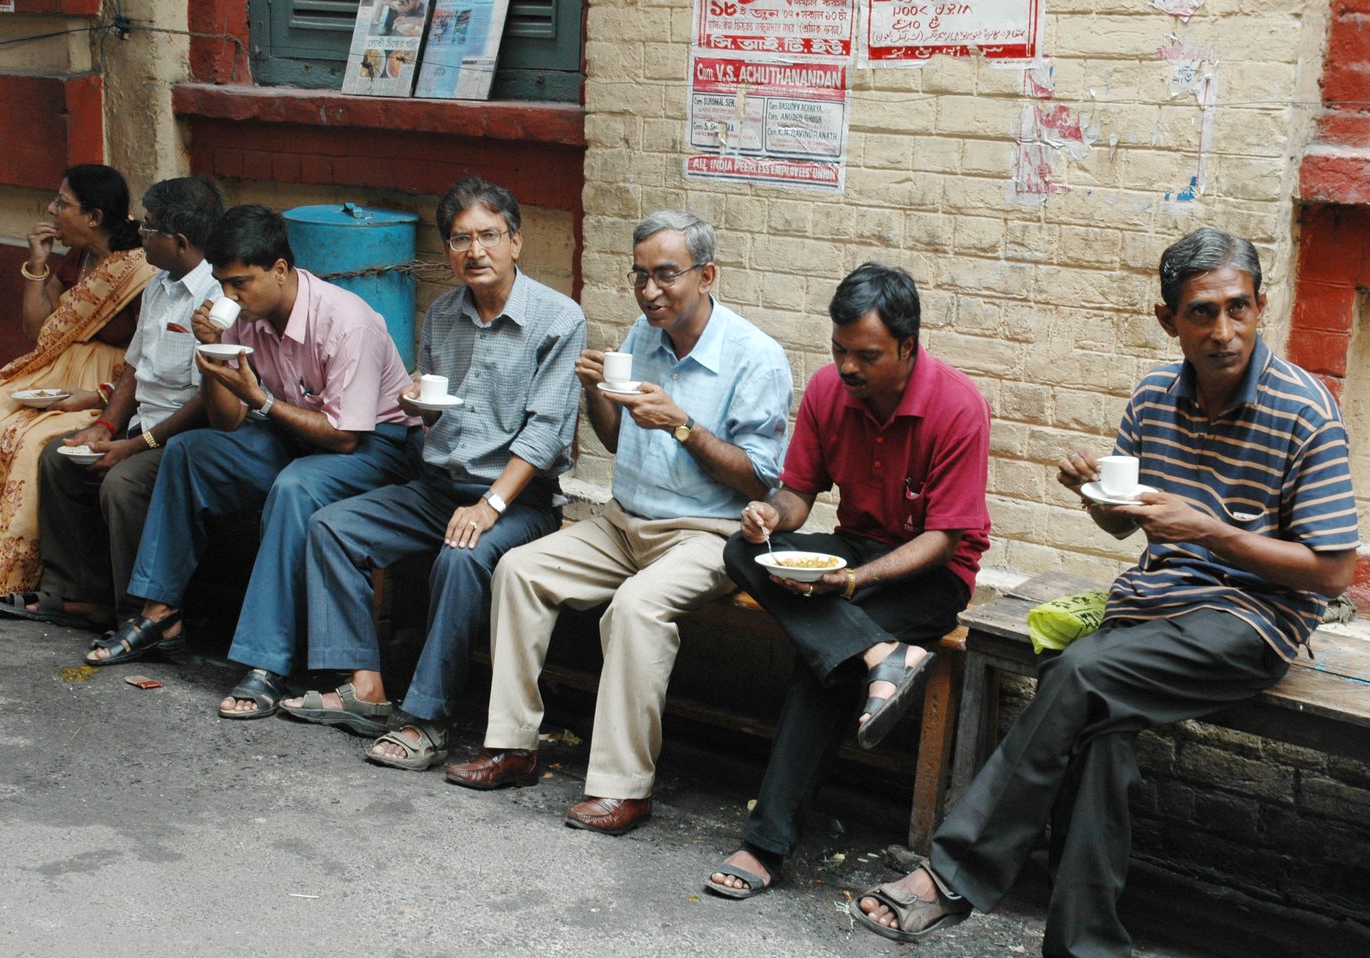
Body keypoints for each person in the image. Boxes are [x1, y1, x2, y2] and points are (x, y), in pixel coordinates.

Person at [852, 228, 1359, 957]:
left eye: (1238, 309)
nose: (1224, 332)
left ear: (1262, 306)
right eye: (1202, 314)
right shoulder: (1156, 396)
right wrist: (1096, 497)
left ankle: (954, 873)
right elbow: (1130, 531)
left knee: (1078, 671)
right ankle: (1086, 945)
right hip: (1155, 607)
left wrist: (1210, 532)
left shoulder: (1305, 408)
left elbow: (1332, 571)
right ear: (1168, 320)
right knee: (1103, 732)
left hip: (1254, 619)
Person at [444, 211, 794, 835]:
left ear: (707, 275)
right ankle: (513, 747)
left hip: (707, 533)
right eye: (639, 276)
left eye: (665, 276)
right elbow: (611, 439)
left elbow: (760, 480)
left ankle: (623, 789)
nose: (649, 292)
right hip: (623, 522)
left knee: (635, 608)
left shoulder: (756, 358)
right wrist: (595, 394)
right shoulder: (642, 335)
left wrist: (682, 424)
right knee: (519, 569)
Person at [278, 176, 585, 772]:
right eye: (460, 239)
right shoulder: (443, 313)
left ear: (516, 241)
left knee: (461, 556)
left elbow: (547, 433)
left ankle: (428, 719)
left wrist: (490, 506)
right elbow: (432, 409)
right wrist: (416, 406)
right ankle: (365, 689)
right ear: (447, 250)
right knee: (332, 526)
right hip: (439, 487)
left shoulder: (557, 318)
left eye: (489, 236)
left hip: (517, 501)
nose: (476, 252)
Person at [705, 263, 991, 898]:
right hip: (856, 549)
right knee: (743, 554)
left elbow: (945, 537)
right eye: (839, 351)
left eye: (866, 355)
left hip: (933, 572)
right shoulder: (828, 391)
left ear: (909, 347)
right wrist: (767, 519)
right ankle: (879, 654)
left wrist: (853, 582)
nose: (848, 368)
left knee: (821, 666)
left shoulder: (958, 406)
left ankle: (764, 845)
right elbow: (800, 495)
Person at [85, 205, 421, 703]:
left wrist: (260, 399)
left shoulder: (347, 322)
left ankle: (267, 661)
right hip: (295, 434)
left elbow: (343, 436)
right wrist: (214, 355)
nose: (229, 296)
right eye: (222, 284)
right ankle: (160, 615)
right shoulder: (245, 317)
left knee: (295, 486)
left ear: (280, 270)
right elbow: (226, 421)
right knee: (191, 451)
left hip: (375, 446)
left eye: (240, 283)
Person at [0, 164, 153, 605]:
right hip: (53, 371)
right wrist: (36, 264)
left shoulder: (140, 271)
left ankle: (7, 575)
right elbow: (39, 331)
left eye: (62, 204)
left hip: (107, 382)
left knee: (29, 438)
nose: (51, 210)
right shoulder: (75, 260)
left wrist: (95, 398)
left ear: (94, 216)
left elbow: (146, 359)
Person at [20, 177, 224, 631]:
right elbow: (134, 369)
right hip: (143, 426)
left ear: (181, 241)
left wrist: (134, 446)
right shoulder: (157, 285)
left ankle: (142, 615)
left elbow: (204, 401)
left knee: (122, 482)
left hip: (186, 437)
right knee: (60, 456)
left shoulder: (215, 298)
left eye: (149, 229)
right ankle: (81, 595)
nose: (140, 234)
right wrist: (107, 428)